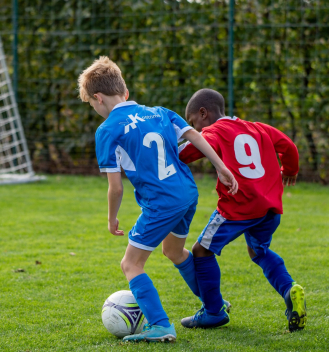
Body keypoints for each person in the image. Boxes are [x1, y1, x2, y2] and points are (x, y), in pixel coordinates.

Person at [78, 57, 238, 342]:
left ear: (98, 98)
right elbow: (197, 138)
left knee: (131, 264)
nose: (96, 111)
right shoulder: (161, 112)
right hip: (187, 194)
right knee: (175, 252)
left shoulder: (107, 131)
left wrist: (111, 217)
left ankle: (161, 325)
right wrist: (221, 166)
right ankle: (215, 307)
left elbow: (115, 188)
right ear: (125, 93)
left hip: (161, 202)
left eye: (92, 105)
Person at [178, 88, 307, 332]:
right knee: (258, 250)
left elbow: (188, 151)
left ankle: (214, 312)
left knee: (201, 250)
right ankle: (289, 289)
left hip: (238, 207)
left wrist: (161, 155)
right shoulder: (259, 128)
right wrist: (290, 169)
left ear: (203, 113)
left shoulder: (213, 132)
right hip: (269, 207)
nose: (195, 129)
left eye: (194, 123)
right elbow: (289, 146)